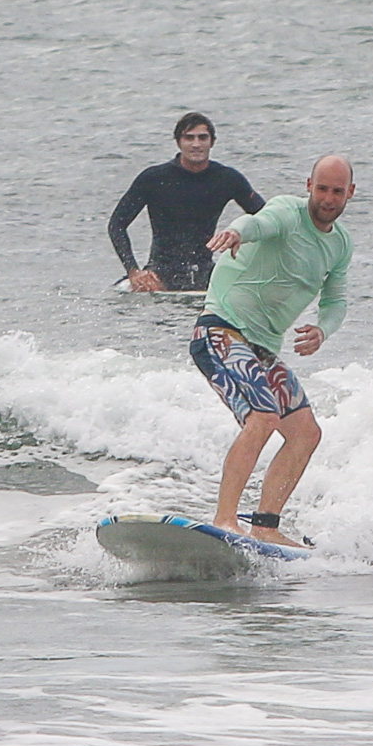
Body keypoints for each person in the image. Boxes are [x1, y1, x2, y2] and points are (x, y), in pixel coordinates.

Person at [189, 155, 356, 547]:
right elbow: (257, 223)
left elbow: (336, 301)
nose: (328, 199)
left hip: (261, 348)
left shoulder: (341, 244)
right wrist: (235, 232)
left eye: (337, 191)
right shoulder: (286, 210)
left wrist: (322, 330)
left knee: (306, 433)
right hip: (221, 330)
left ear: (350, 193)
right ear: (308, 185)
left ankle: (265, 524)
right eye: (321, 189)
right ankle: (226, 519)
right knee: (263, 416)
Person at [108, 112, 266, 292]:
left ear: (212, 142)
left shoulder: (227, 178)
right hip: (159, 275)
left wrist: (240, 235)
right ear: (178, 142)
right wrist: (133, 271)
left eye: (202, 138)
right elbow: (116, 225)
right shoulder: (153, 178)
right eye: (189, 138)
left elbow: (267, 218)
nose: (196, 144)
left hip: (205, 274)